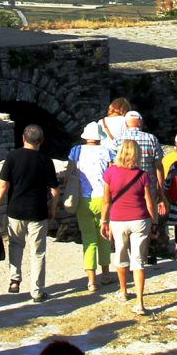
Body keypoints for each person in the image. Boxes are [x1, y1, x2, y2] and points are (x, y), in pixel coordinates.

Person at [0, 124, 60, 302]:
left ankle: (14, 280)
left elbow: (3, 185)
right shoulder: (46, 161)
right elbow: (54, 191)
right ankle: (37, 292)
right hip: (37, 211)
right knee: (37, 252)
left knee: (15, 245)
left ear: (23, 138)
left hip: (15, 210)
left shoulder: (13, 156)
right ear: (41, 141)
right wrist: (52, 210)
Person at [102, 138, 159, 315]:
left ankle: (123, 290)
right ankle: (140, 302)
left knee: (120, 254)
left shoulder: (110, 172)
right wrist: (155, 222)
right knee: (138, 260)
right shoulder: (143, 175)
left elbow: (106, 200)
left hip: (118, 219)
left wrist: (104, 221)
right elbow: (149, 202)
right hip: (140, 219)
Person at [68, 123, 111, 293]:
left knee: (89, 239)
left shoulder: (76, 151)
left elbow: (70, 173)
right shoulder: (107, 151)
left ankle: (91, 281)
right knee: (104, 236)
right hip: (103, 198)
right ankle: (106, 274)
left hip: (83, 199)